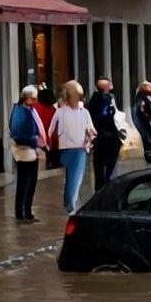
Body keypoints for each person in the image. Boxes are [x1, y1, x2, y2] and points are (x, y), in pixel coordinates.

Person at [50, 81, 96, 216]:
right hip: (72, 149)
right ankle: (70, 204)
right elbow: (51, 130)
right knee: (74, 178)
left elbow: (92, 130)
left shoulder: (82, 112)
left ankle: (70, 203)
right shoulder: (61, 112)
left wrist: (89, 137)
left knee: (73, 178)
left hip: (75, 148)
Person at [9, 86, 48, 222]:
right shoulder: (21, 111)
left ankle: (25, 211)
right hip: (25, 150)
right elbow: (19, 134)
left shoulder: (24, 110)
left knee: (29, 181)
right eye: (33, 98)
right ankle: (23, 212)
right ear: (26, 98)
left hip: (28, 149)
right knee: (26, 182)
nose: (36, 101)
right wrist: (35, 145)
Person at [85, 78, 124, 188]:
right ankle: (106, 186)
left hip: (101, 138)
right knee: (107, 166)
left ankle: (101, 187)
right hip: (107, 138)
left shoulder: (93, 100)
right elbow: (108, 117)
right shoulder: (106, 99)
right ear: (107, 87)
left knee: (99, 166)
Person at [131, 81, 151, 165]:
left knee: (148, 142)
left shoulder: (141, 97)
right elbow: (142, 111)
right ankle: (150, 159)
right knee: (149, 142)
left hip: (146, 124)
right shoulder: (144, 98)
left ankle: (150, 158)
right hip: (147, 124)